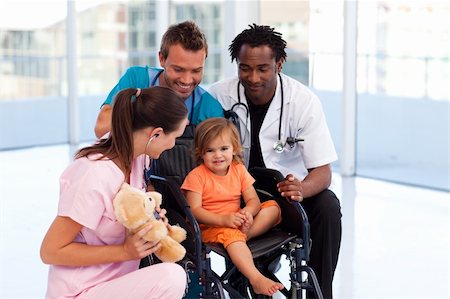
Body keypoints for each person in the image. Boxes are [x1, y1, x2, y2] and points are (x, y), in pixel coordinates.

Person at [208, 24, 342, 299]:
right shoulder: (219, 96)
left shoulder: (302, 102)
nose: (253, 77)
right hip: (236, 196)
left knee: (328, 206)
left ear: (279, 64)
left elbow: (323, 171)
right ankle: (257, 278)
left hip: (285, 194)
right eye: (245, 68)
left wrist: (302, 189)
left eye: (262, 69)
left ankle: (319, 295)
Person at [40, 87, 189, 299]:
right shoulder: (93, 174)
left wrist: (151, 220)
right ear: (155, 134)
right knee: (171, 277)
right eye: (175, 137)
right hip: (79, 292)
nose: (173, 145)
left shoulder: (138, 158)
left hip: (114, 284)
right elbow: (50, 251)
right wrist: (126, 251)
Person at [181, 117, 284, 296]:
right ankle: (256, 279)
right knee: (231, 234)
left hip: (237, 220)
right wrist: (223, 219)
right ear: (200, 153)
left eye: (224, 149)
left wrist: (248, 212)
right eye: (210, 150)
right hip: (210, 225)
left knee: (273, 207)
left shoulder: (238, 169)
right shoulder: (197, 176)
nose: (218, 155)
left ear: (234, 149)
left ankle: (244, 234)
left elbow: (254, 201)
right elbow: (195, 211)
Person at [94, 20, 223, 139]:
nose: (186, 80)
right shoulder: (137, 79)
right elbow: (101, 129)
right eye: (178, 69)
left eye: (196, 71)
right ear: (161, 59)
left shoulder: (209, 108)